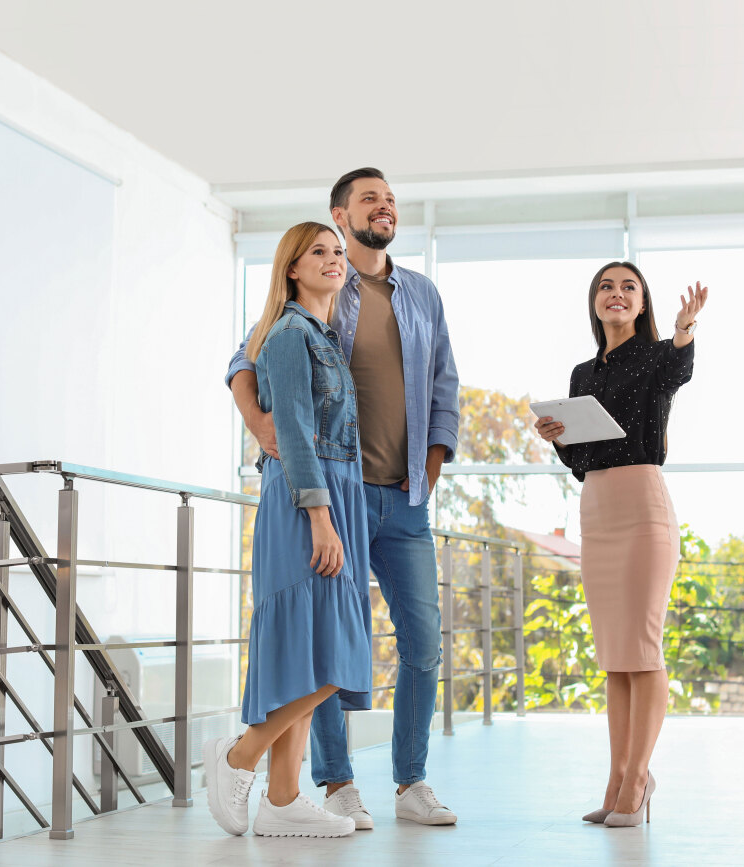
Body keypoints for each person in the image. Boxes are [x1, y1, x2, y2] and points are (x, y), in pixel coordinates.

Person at [225, 168, 460, 828]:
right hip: (336, 495)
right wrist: (259, 422)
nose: (384, 207)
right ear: (339, 214)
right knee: (328, 641)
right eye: (369, 199)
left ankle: (411, 780)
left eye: (390, 199)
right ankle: (335, 783)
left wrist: (432, 466)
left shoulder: (421, 295)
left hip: (403, 499)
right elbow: (246, 358)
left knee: (421, 641)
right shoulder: (320, 286)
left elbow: (445, 385)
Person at [203, 222, 372, 838]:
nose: (332, 259)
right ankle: (238, 756)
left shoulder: (324, 335)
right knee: (338, 656)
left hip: (335, 494)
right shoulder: (287, 335)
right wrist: (321, 517)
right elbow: (295, 431)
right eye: (317, 253)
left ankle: (281, 799)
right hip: (308, 502)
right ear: (292, 270)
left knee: (317, 648)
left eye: (336, 251)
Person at [534, 261, 708, 828]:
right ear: (594, 302)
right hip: (598, 507)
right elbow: (584, 460)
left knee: (643, 649)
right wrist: (558, 439)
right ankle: (615, 780)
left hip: (642, 507)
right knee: (615, 658)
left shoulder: (659, 355)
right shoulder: (583, 373)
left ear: (641, 303)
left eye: (627, 288)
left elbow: (680, 371)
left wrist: (684, 330)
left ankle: (638, 780)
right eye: (606, 287)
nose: (616, 294)